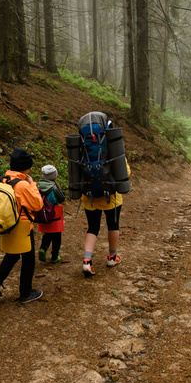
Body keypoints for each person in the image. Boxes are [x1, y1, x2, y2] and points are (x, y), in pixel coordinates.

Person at [0, 149, 44, 303]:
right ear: (26, 167)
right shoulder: (23, 185)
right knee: (28, 258)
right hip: (22, 226)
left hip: (6, 223)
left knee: (12, 254)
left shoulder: (0, 180)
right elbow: (37, 205)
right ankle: (25, 292)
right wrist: (32, 184)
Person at [79, 115, 129, 277]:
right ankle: (112, 257)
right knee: (113, 225)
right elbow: (125, 172)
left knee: (92, 227)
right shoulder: (113, 148)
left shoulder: (83, 147)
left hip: (89, 196)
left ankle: (87, 261)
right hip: (111, 197)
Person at [36, 164, 66, 263]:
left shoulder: (38, 186)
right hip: (55, 215)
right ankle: (54, 256)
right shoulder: (54, 188)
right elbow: (61, 198)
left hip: (44, 214)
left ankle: (43, 248)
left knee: (47, 234)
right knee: (57, 236)